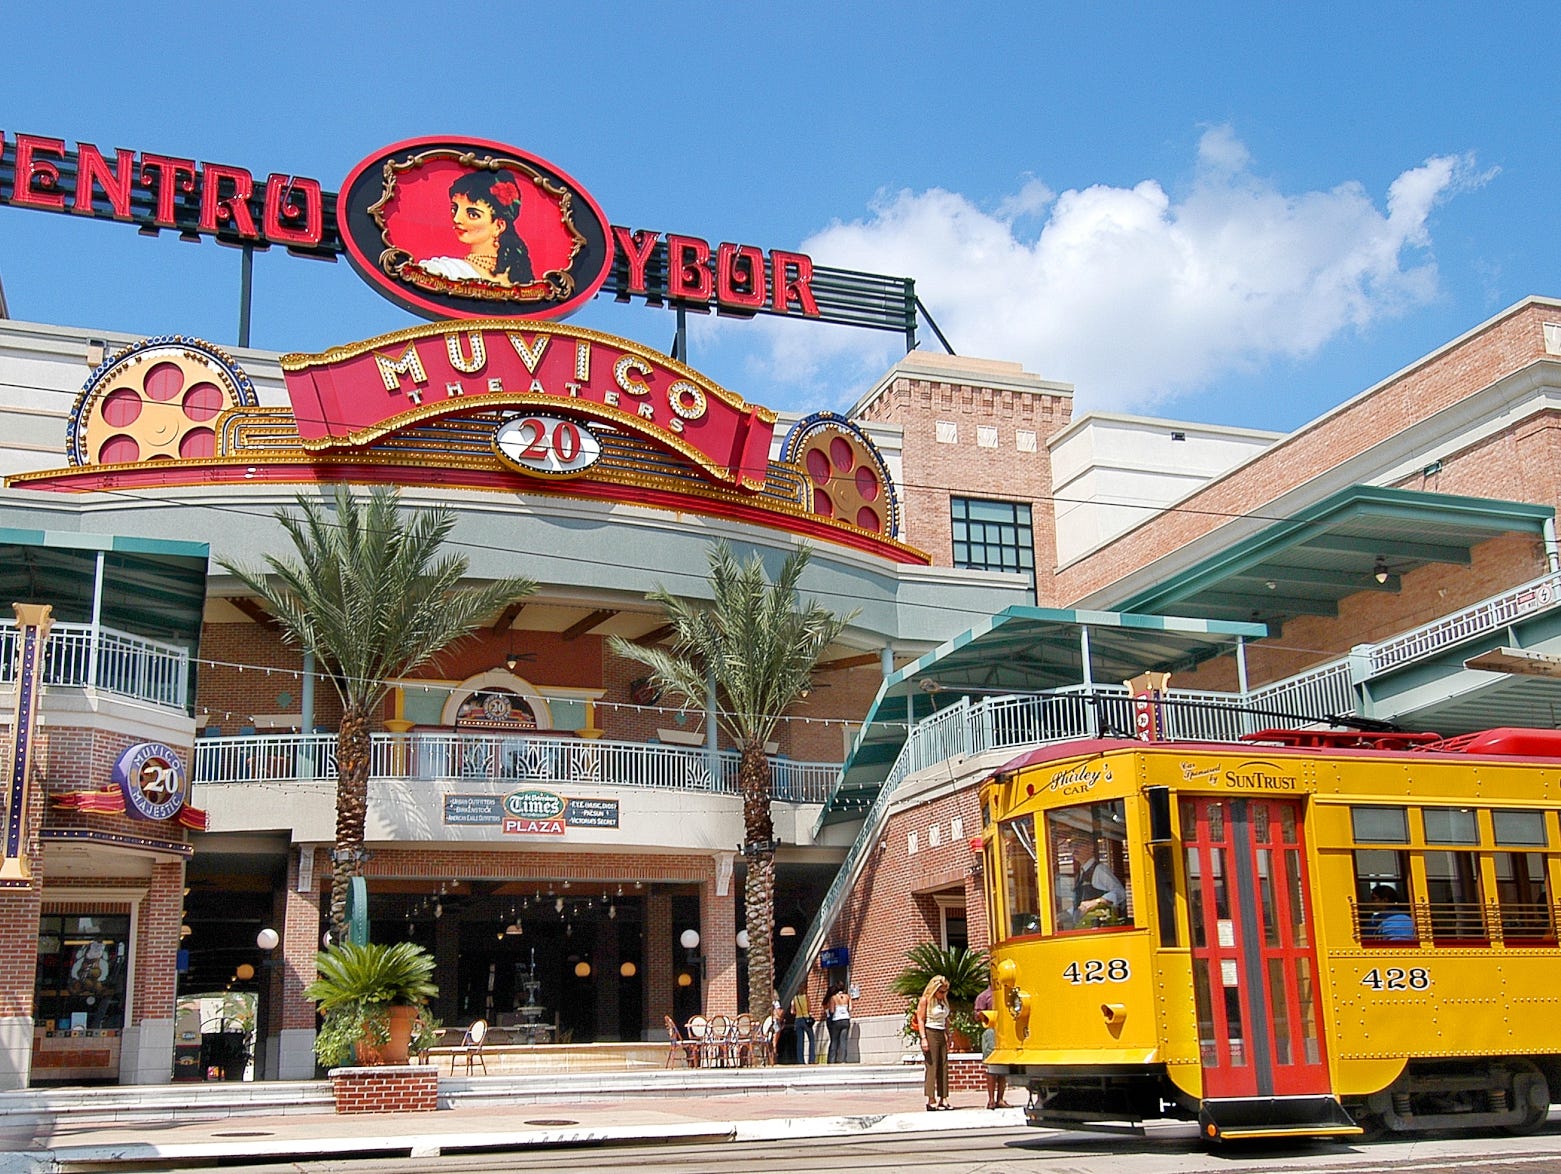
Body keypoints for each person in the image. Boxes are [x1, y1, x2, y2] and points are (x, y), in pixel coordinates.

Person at [416, 169, 535, 287]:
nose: (457, 219)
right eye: (454, 209)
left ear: (499, 226)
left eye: (473, 214)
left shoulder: (519, 277)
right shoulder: (443, 271)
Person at [1064, 833, 1126, 928]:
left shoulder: (1100, 870)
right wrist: (1066, 914)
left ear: (1091, 847)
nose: (1074, 850)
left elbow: (1120, 892)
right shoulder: (1081, 873)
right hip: (1084, 927)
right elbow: (1082, 903)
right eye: (1071, 846)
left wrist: (1097, 902)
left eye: (1079, 845)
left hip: (1100, 927)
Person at [917, 974, 952, 1110]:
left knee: (943, 1065)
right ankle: (931, 1098)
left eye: (945, 992)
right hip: (930, 1032)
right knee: (932, 1066)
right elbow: (920, 1019)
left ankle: (944, 1097)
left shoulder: (943, 1001)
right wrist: (923, 1038)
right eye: (941, 991)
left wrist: (948, 1034)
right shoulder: (925, 1000)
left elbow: (946, 1019)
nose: (943, 994)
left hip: (941, 1032)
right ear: (934, 989)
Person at [973, 983, 1010, 1109]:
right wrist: (984, 1015)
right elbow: (976, 1016)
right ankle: (991, 1100)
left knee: (1003, 1067)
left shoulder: (1005, 994)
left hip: (1004, 1032)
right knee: (991, 1067)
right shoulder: (984, 996)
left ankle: (1000, 1099)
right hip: (991, 1032)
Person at [823, 983, 852, 1063]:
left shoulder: (833, 998)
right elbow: (850, 1008)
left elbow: (832, 1010)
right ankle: (843, 1059)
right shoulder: (847, 997)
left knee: (834, 1041)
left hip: (837, 1020)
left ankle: (832, 1060)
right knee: (843, 1041)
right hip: (846, 1019)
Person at [791, 989, 815, 1064]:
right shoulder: (806, 997)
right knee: (811, 1039)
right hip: (806, 1019)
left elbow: (792, 1011)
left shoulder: (794, 998)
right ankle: (811, 1059)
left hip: (798, 1019)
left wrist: (798, 1012)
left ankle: (800, 1060)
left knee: (800, 1041)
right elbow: (809, 1009)